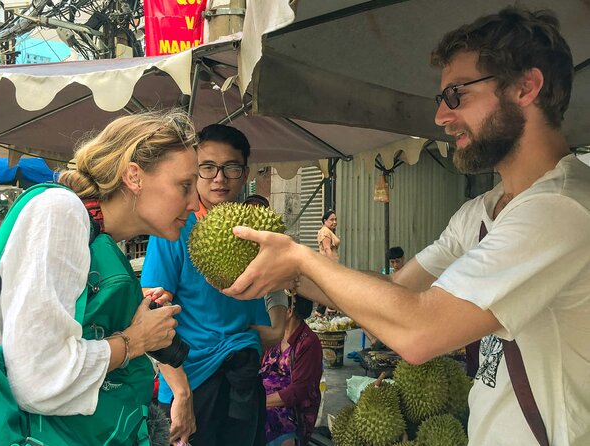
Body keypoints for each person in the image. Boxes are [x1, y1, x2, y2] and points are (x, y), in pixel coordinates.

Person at [222, 7, 590, 445]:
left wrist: (301, 257)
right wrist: (291, 273)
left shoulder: (562, 208)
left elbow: (418, 332)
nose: (441, 117)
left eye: (457, 95)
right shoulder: (481, 212)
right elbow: (396, 298)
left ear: (526, 87)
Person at [0, 110, 197, 444]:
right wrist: (135, 340)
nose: (194, 203)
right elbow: (39, 378)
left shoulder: (93, 236)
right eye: (185, 186)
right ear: (134, 176)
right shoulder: (61, 211)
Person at [140, 124, 273, 446]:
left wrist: (278, 319)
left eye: (231, 167)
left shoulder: (256, 232)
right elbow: (152, 313)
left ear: (245, 173)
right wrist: (182, 393)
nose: (219, 178)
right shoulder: (173, 230)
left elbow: (270, 299)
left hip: (242, 374)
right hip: (192, 378)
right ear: (194, 171)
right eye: (208, 167)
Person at [260, 295, 322, 446]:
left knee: (271, 418)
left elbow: (299, 390)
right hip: (262, 397)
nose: (269, 310)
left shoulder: (308, 342)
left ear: (289, 310)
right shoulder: (273, 335)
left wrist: (260, 403)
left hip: (291, 409)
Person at [244, 194, 287, 350]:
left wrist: (277, 330)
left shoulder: (271, 258)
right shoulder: (234, 253)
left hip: (258, 333)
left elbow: (276, 291)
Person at [315, 209, 339, 316]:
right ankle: (321, 312)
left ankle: (328, 311)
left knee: (329, 290)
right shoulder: (325, 231)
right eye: (331, 219)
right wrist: (332, 266)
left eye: (335, 219)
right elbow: (327, 249)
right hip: (327, 265)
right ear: (325, 220)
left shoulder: (328, 231)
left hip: (327, 265)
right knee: (328, 289)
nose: (334, 222)